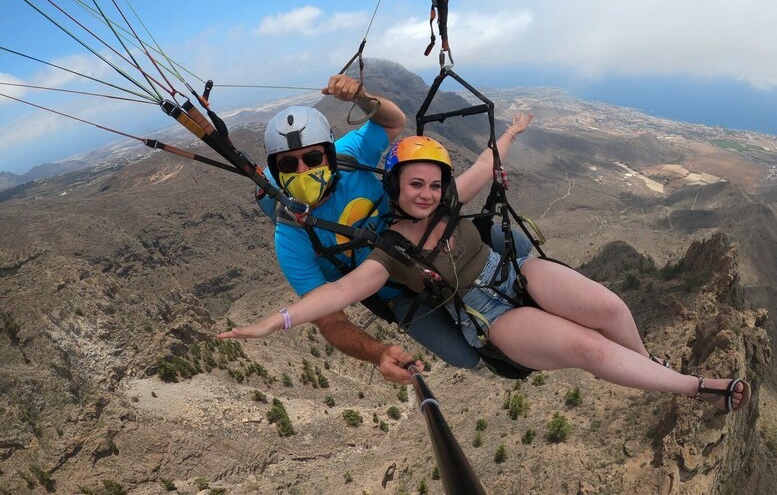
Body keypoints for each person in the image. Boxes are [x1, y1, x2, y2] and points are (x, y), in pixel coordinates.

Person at [221, 111, 751, 413]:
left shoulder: (448, 203)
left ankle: (649, 364)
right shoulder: (387, 254)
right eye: (415, 186)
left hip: (515, 273)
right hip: (489, 315)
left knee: (609, 307)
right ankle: (696, 388)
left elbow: (482, 164)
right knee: (586, 346)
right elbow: (336, 296)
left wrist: (513, 133)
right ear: (394, 189)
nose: (427, 194)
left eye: (433, 185)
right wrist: (278, 320)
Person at [252, 73, 502, 385]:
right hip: (399, 294)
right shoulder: (291, 238)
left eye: (313, 158)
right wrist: (378, 352)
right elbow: (330, 319)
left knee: (515, 247)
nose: (303, 171)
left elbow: (392, 121)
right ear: (277, 171)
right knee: (464, 356)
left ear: (328, 155)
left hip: (432, 235)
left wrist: (362, 97)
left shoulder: (349, 154)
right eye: (288, 166)